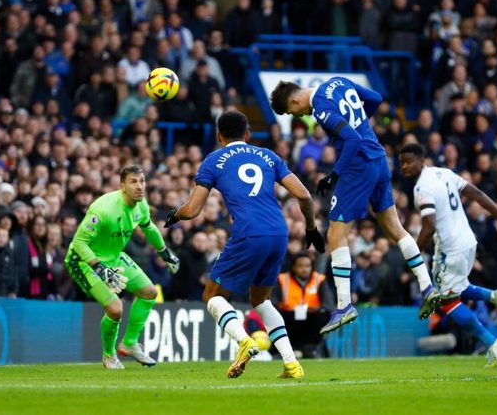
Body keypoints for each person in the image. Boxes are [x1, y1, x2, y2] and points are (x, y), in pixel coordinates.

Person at [270, 79, 440, 334]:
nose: (301, 115)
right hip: (380, 159)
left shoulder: (320, 108)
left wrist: (334, 175)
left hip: (358, 166)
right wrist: (360, 124)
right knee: (396, 229)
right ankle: (427, 286)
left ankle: (344, 305)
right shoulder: (339, 82)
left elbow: (351, 139)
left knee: (335, 236)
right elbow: (375, 98)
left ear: (294, 101)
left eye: (294, 112)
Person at [164, 111, 325, 379]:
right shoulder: (269, 156)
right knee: (261, 299)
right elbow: (305, 195)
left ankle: (244, 341)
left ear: (219, 136)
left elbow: (192, 210)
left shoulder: (214, 160)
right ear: (248, 134)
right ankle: (291, 364)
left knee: (211, 296)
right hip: (278, 234)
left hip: (249, 234)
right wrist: (310, 228)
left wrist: (174, 214)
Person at [399, 143, 497, 362]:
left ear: (422, 160)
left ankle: (494, 345)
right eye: (401, 163)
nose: (404, 166)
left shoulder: (421, 188)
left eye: (408, 161)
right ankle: (495, 296)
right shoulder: (444, 173)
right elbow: (478, 193)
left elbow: (429, 226)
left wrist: (414, 255)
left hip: (450, 249)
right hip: (468, 242)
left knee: (447, 301)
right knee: (458, 288)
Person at [64, 165, 180, 369]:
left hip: (114, 257)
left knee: (150, 292)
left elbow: (149, 227)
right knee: (115, 309)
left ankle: (129, 343)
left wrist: (164, 252)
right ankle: (108, 355)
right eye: (133, 182)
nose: (139, 186)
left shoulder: (141, 204)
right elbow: (79, 243)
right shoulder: (103, 209)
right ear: (122, 186)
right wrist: (99, 268)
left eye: (142, 181)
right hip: (83, 260)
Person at [273, 252, 334, 358]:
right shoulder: (282, 279)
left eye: (307, 266)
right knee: (276, 316)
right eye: (300, 266)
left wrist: (318, 308)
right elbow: (273, 302)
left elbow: (328, 304)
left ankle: (310, 348)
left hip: (312, 317)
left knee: (323, 315)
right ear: (293, 267)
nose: (304, 269)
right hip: (288, 317)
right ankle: (285, 348)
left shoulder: (319, 279)